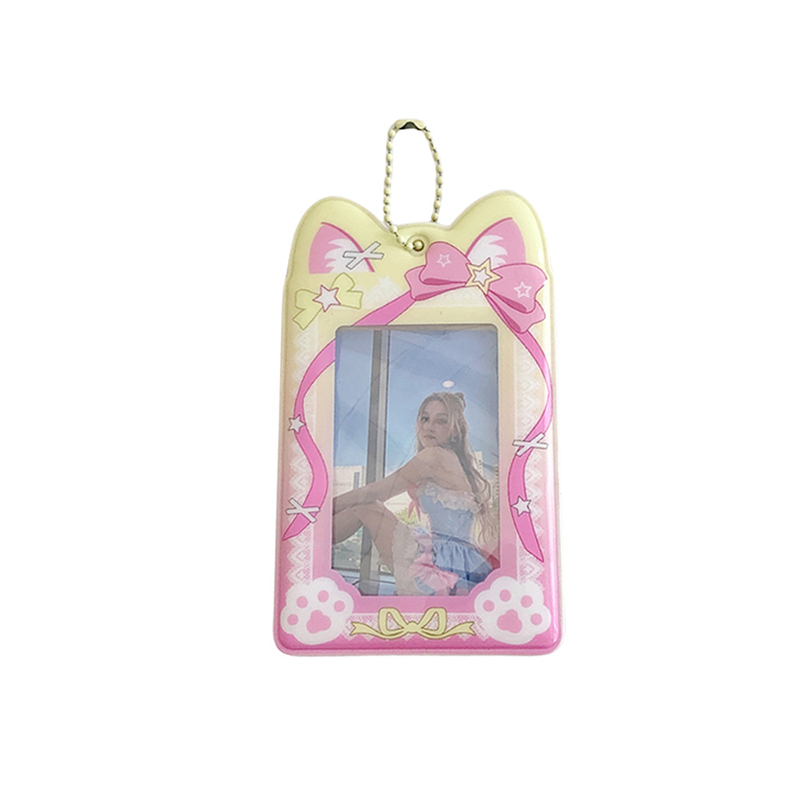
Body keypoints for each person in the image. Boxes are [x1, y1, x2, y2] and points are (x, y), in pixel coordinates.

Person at [332, 392, 497, 595]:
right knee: (366, 507)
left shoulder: (434, 456)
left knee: (365, 507)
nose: (429, 427)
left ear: (455, 430)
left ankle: (312, 539)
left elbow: (377, 491)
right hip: (463, 560)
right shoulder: (460, 463)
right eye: (425, 419)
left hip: (443, 560)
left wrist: (327, 505)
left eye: (441, 421)